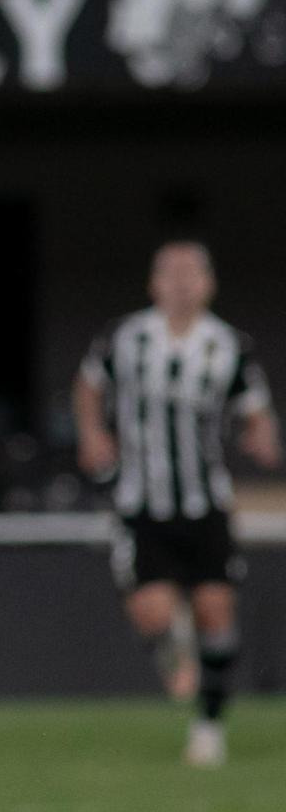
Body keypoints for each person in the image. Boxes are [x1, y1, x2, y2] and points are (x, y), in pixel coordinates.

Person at [74, 242, 280, 767]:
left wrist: (261, 436)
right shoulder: (127, 338)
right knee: (152, 613)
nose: (183, 282)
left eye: (193, 273)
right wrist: (92, 433)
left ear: (209, 284)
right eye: (172, 272)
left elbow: (255, 408)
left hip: (203, 501)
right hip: (142, 501)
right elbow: (88, 387)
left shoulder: (229, 345)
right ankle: (174, 647)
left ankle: (208, 727)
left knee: (216, 609)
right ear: (154, 283)